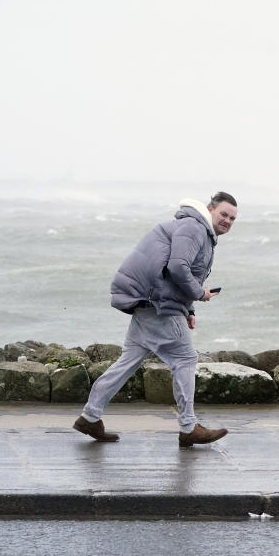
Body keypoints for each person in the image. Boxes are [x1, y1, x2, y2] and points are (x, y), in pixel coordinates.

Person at [73, 192, 238, 447]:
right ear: (210, 209)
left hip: (148, 301)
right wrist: (199, 294)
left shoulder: (195, 228)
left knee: (128, 361)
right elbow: (177, 268)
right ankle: (188, 427)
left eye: (232, 218)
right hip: (156, 303)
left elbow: (183, 272)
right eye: (224, 214)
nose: (227, 220)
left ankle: (90, 416)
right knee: (185, 359)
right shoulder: (195, 227)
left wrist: (190, 310)